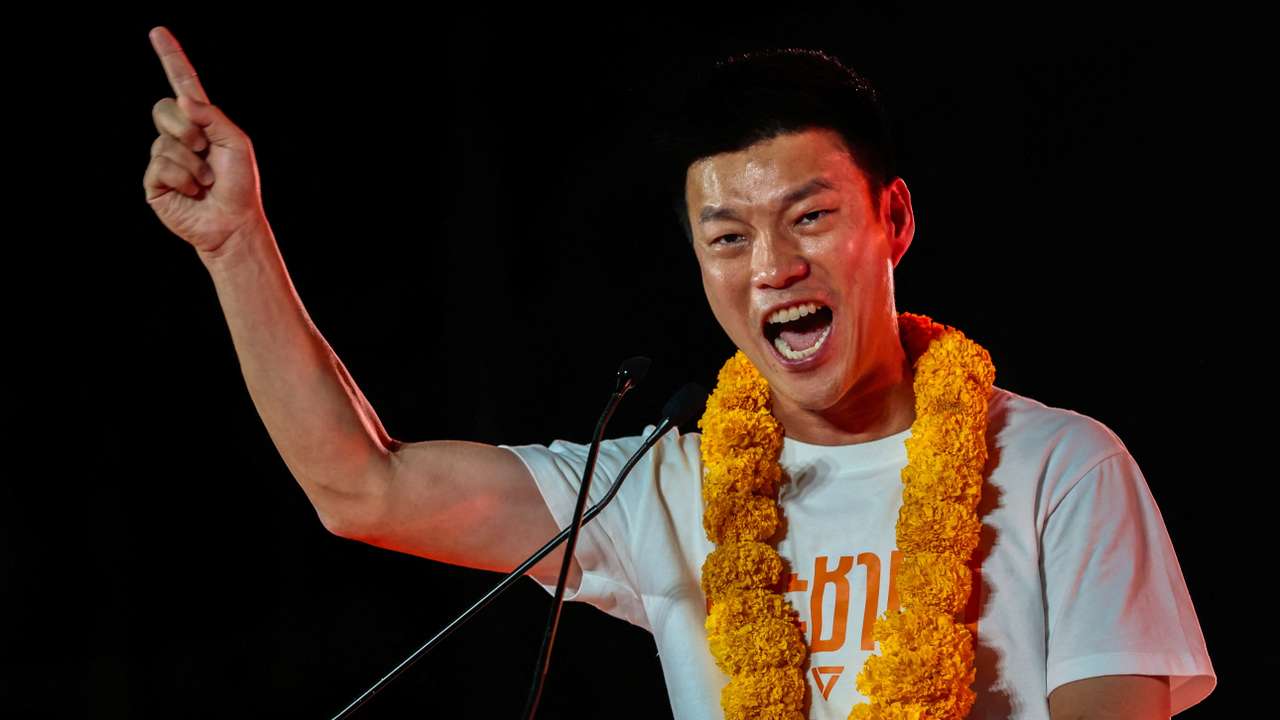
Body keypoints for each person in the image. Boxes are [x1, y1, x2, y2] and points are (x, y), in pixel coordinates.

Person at [143, 26, 1215, 720]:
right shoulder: (660, 486)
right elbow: (359, 486)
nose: (773, 266)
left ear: (892, 219)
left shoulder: (1061, 468)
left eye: (810, 217)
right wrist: (237, 247)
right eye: (728, 237)